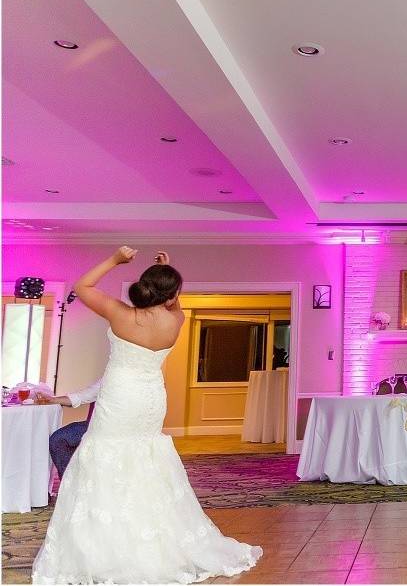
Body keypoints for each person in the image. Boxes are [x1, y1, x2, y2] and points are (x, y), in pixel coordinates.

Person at [32, 247, 261, 584]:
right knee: (146, 460)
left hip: (121, 398)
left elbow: (82, 288)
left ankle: (109, 547)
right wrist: (169, 271)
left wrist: (115, 260)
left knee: (105, 460)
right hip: (151, 400)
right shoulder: (175, 320)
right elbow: (175, 304)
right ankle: (153, 541)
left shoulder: (122, 315)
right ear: (173, 296)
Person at [36, 379, 102, 481]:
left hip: (126, 434)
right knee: (58, 439)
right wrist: (52, 399)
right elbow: (83, 395)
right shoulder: (109, 377)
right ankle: (69, 484)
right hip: (94, 426)